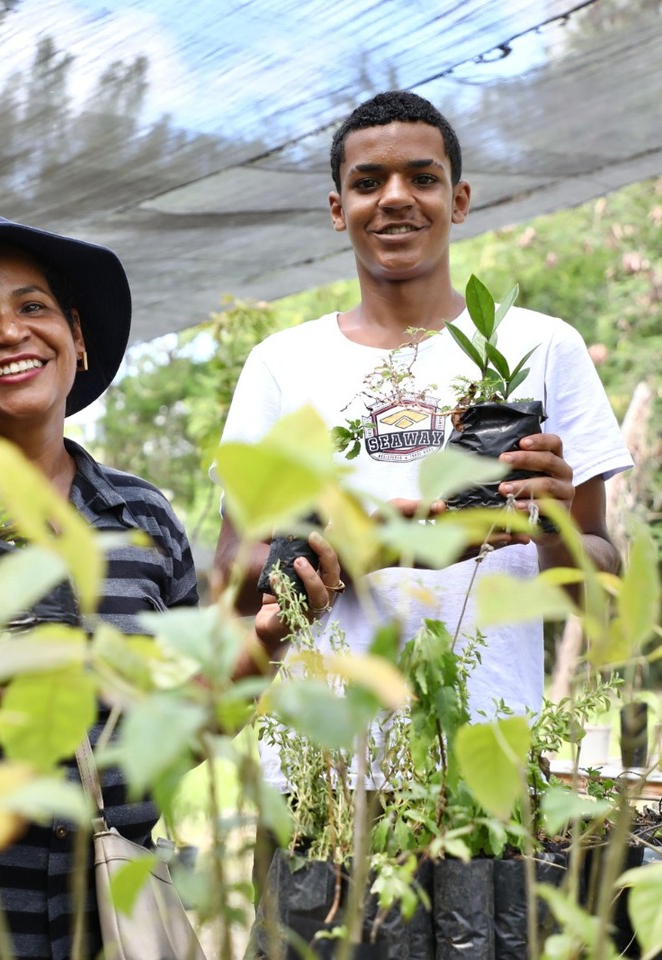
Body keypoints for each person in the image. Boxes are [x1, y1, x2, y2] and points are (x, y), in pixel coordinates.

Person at [0, 211, 340, 959]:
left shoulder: (140, 517)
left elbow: (175, 738)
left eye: (32, 308)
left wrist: (261, 647)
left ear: (77, 337)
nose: (9, 332)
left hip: (101, 927)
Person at [215, 90, 634, 782]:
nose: (395, 198)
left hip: (486, 777)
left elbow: (596, 586)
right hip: (317, 782)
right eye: (368, 183)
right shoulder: (282, 366)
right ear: (336, 209)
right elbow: (232, 578)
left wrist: (552, 524)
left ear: (459, 199)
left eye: (422, 177)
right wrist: (342, 550)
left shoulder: (540, 346)